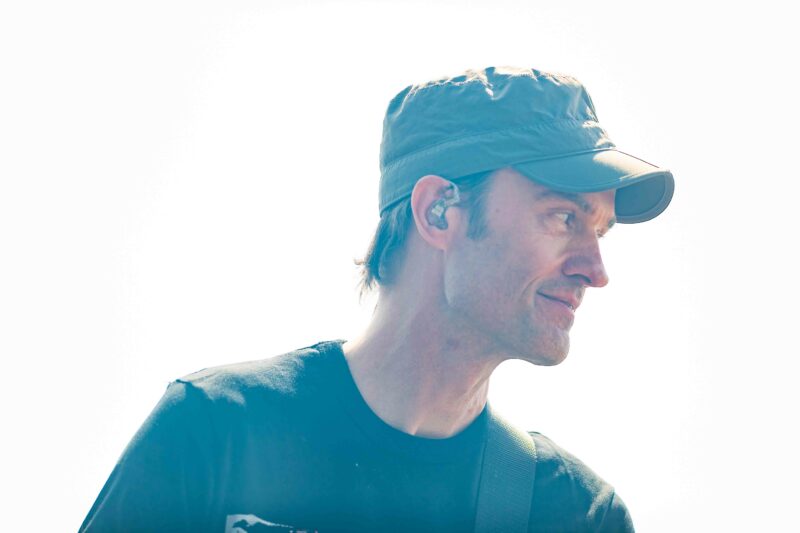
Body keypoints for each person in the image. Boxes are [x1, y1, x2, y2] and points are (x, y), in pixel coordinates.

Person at [80, 66, 674, 532]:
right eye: (563, 218)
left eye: (599, 232)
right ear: (438, 211)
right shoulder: (215, 430)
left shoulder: (576, 515)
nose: (595, 271)